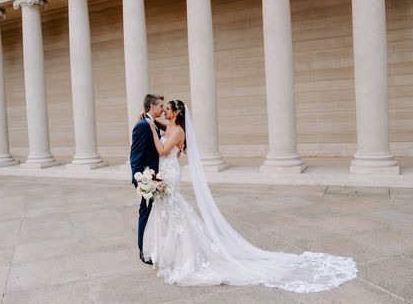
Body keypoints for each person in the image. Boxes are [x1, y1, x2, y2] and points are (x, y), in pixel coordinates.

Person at [141, 99, 357, 293]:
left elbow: (161, 150)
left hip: (170, 173)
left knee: (175, 209)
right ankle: (170, 251)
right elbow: (164, 128)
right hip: (166, 172)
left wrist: (151, 128)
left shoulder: (178, 130)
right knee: (170, 210)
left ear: (176, 113)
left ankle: (183, 252)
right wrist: (152, 122)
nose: (165, 112)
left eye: (167, 109)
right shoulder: (171, 126)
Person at [130, 93, 164, 265]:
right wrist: (138, 179)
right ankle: (143, 250)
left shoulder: (151, 123)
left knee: (154, 213)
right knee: (145, 211)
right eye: (160, 106)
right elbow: (135, 153)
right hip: (147, 178)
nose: (163, 109)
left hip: (158, 177)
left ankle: (154, 246)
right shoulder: (143, 125)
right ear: (152, 106)